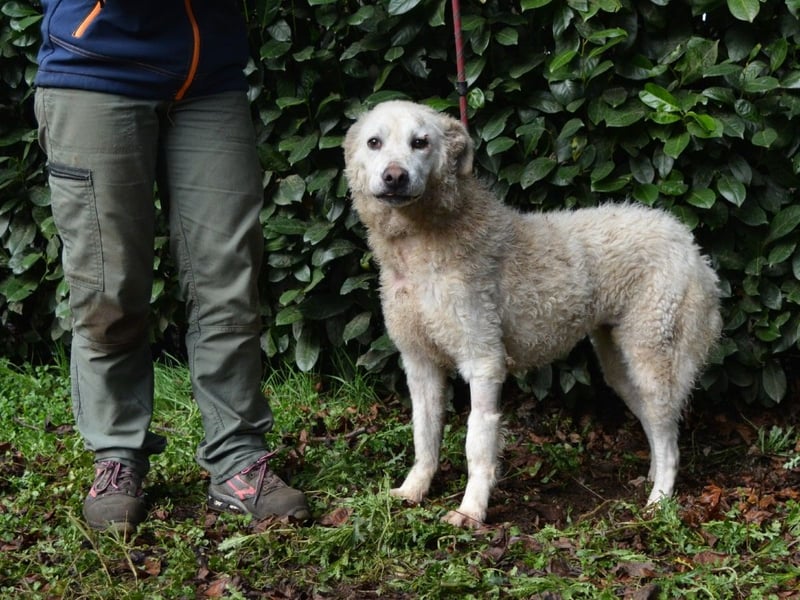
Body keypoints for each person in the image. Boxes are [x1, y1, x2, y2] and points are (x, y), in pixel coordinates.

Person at [33, 0, 310, 534]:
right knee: (107, 286)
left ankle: (237, 458)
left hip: (210, 76)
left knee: (226, 279)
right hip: (93, 66)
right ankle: (117, 456)